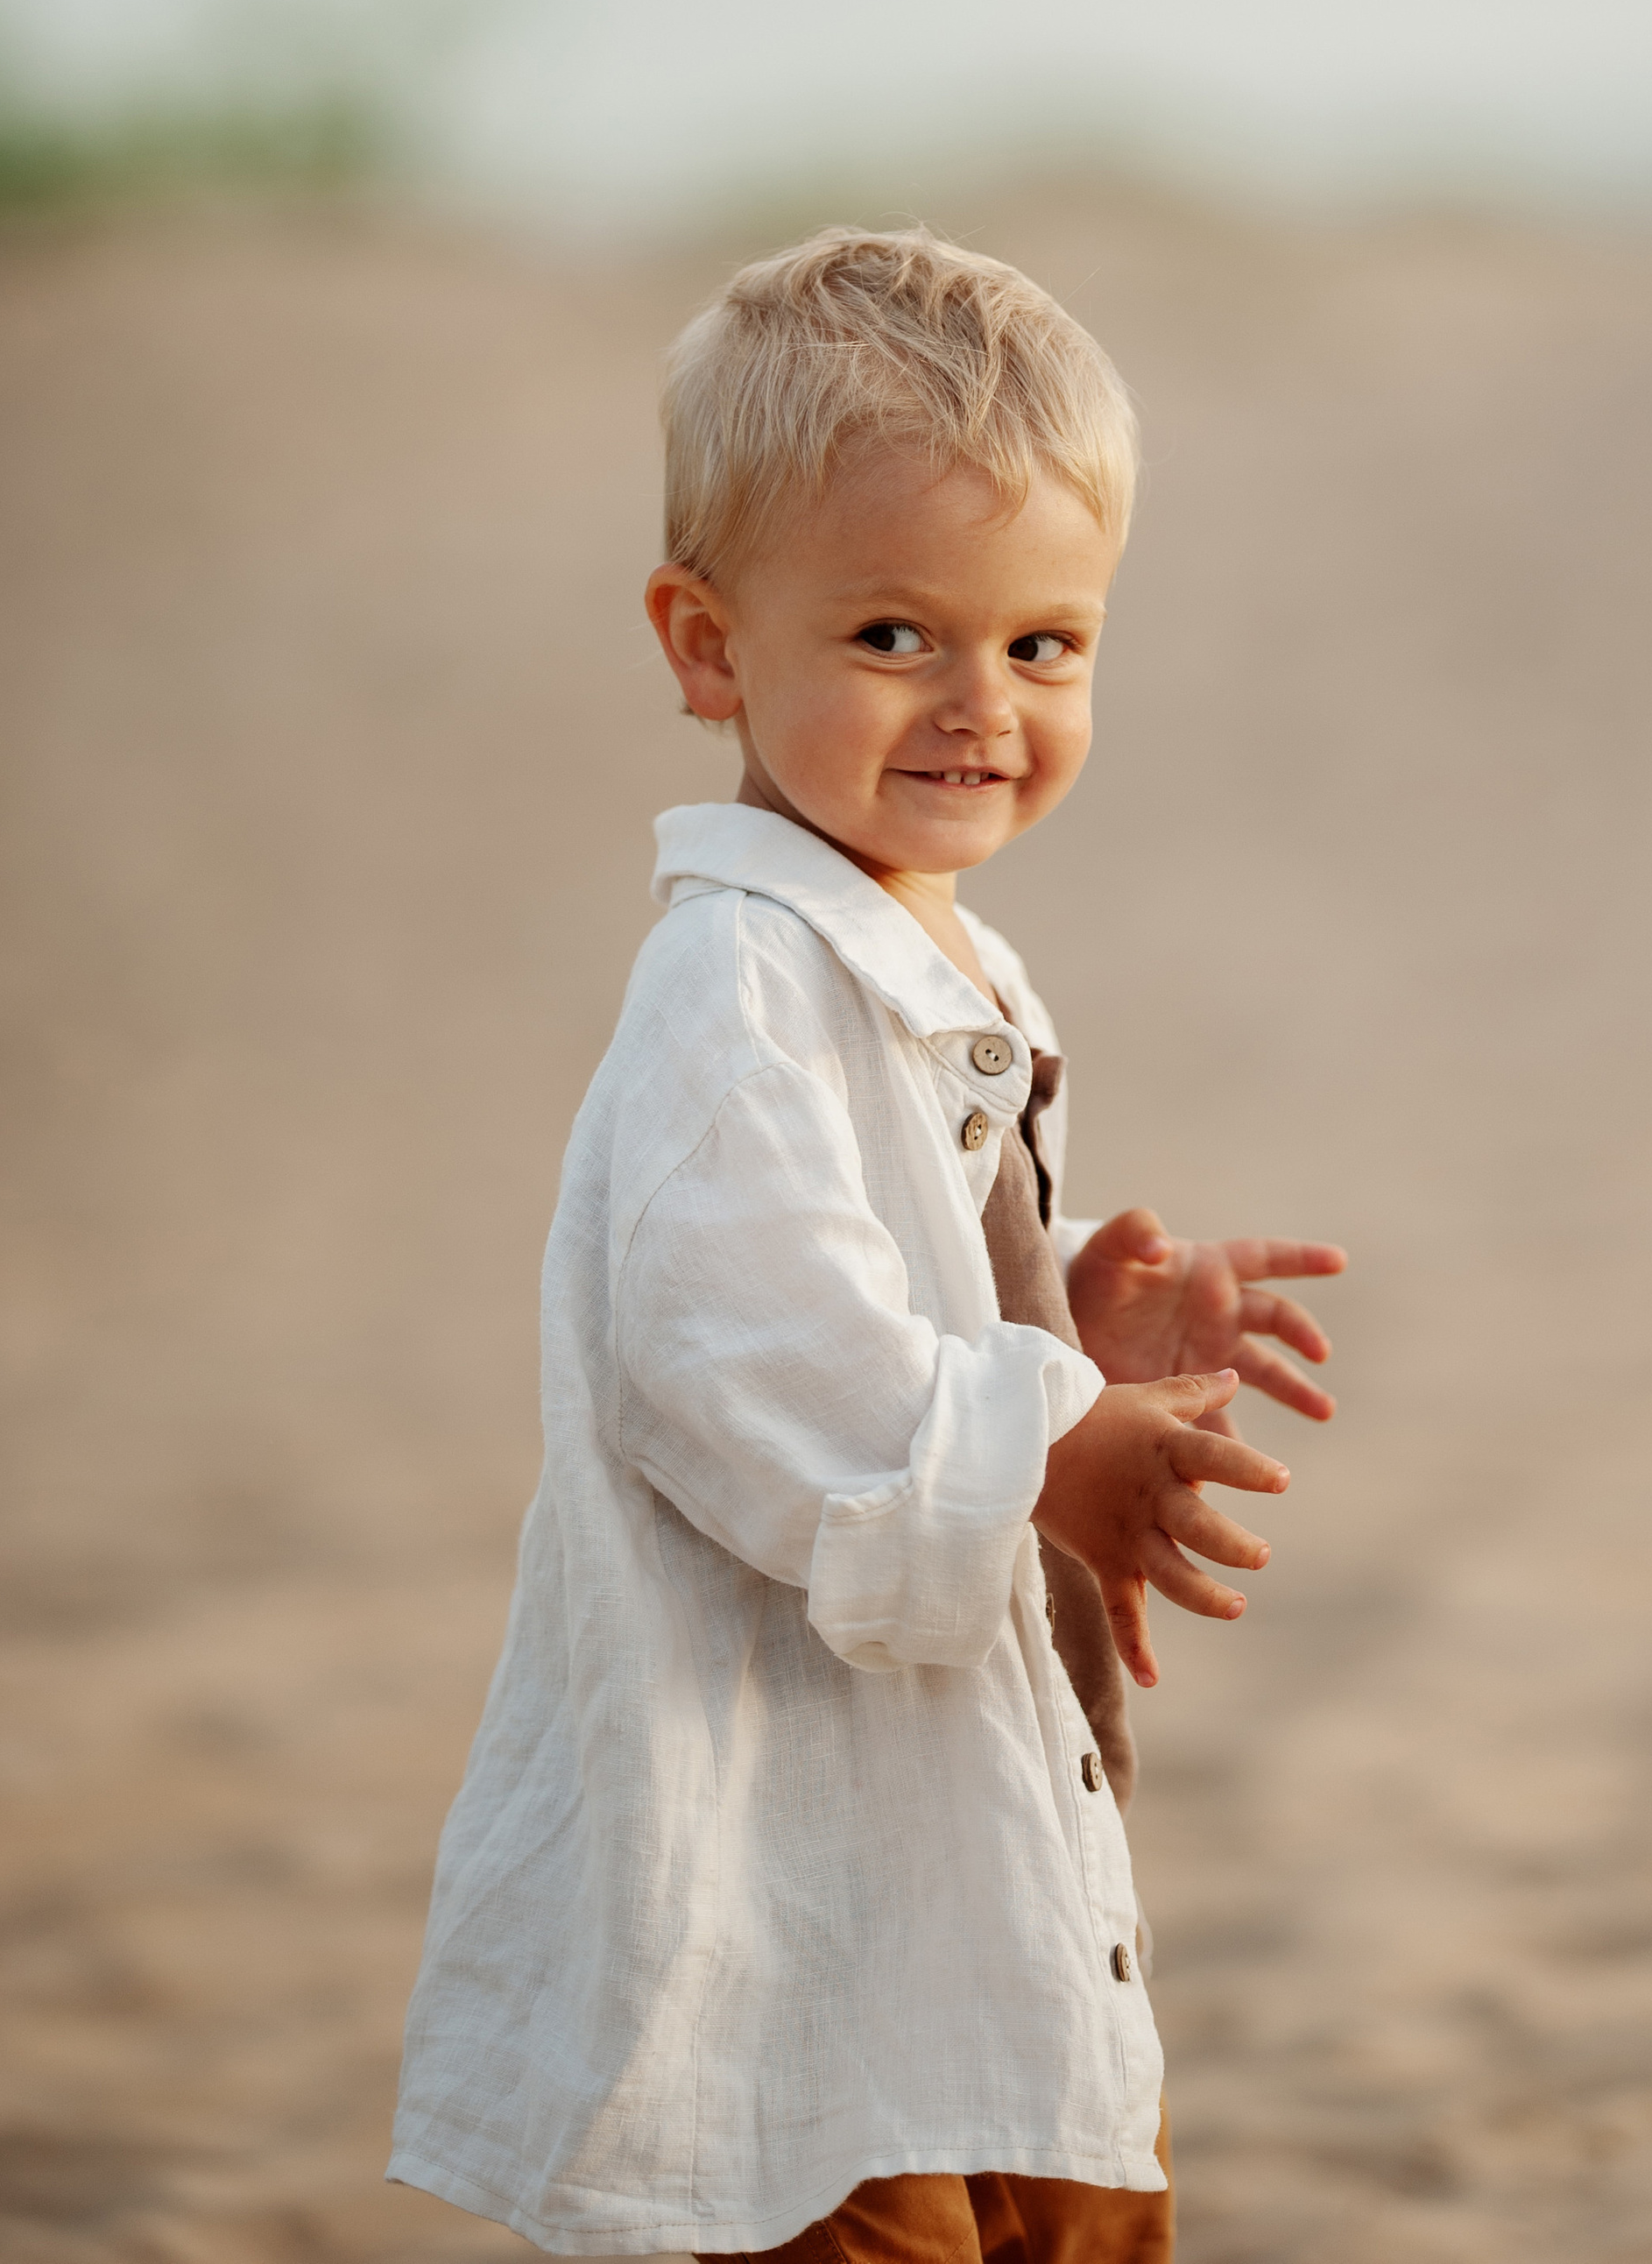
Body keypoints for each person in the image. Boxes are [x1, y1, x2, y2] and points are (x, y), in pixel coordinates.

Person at [390, 225, 1345, 2263]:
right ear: (708, 646)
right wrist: (1052, 1450)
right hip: (790, 1912)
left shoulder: (933, 940)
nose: (979, 705)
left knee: (1079, 2192)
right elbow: (749, 1350)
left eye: (1043, 644)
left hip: (958, 1871)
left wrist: (1057, 1305)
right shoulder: (728, 990)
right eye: (896, 634)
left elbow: (891, 1262)